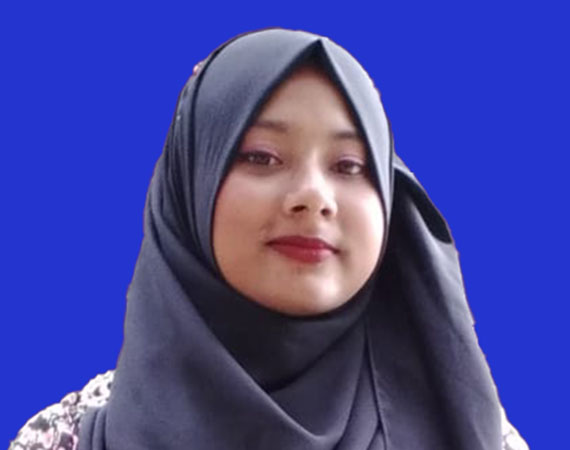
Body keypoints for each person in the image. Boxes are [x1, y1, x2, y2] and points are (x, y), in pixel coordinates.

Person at [9, 28, 528, 450]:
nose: (313, 197)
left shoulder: (472, 432)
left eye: (350, 165)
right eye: (261, 157)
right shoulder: (65, 439)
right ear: (191, 187)